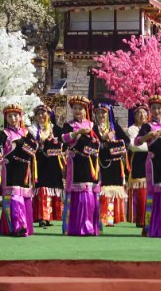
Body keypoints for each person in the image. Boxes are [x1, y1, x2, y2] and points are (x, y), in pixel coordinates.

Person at [61, 96, 101, 236]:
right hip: (76, 163)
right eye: (75, 108)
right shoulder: (69, 125)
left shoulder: (92, 125)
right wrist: (78, 132)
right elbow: (63, 138)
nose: (78, 111)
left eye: (81, 108)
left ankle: (90, 225)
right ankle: (76, 226)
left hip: (91, 163)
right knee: (79, 193)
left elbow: (100, 143)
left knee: (90, 192)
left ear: (86, 110)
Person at [0, 103, 38, 237]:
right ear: (6, 118)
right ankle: (19, 226)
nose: (13, 118)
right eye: (10, 116)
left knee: (25, 197)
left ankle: (25, 226)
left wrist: (20, 143)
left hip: (25, 169)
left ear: (20, 117)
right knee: (14, 197)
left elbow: (34, 149)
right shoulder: (3, 133)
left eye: (15, 115)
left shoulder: (27, 133)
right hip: (10, 169)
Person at [29, 103, 64, 228]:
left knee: (53, 188)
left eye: (43, 113)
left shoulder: (56, 129)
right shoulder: (32, 130)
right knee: (42, 188)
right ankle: (42, 217)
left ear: (49, 115)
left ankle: (50, 216)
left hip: (54, 163)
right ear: (35, 117)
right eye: (38, 114)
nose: (41, 116)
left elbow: (63, 144)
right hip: (40, 162)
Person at [94, 102, 128, 227]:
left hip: (115, 164)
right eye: (98, 113)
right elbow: (91, 145)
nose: (101, 115)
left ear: (108, 114)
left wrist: (116, 142)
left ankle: (112, 218)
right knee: (103, 190)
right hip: (101, 164)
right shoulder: (93, 129)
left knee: (114, 191)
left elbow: (127, 142)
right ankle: (101, 217)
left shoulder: (115, 127)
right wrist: (103, 139)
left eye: (103, 112)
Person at [135, 96, 161, 236]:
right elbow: (137, 141)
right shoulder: (147, 126)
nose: (156, 111)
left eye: (159, 108)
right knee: (155, 193)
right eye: (154, 108)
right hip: (155, 163)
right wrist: (150, 135)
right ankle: (153, 226)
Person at [127, 101, 150, 228]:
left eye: (144, 113)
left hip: (152, 161)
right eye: (139, 113)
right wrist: (152, 145)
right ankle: (140, 219)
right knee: (140, 192)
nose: (142, 115)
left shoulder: (150, 127)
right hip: (139, 163)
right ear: (135, 116)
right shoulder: (132, 129)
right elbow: (133, 146)